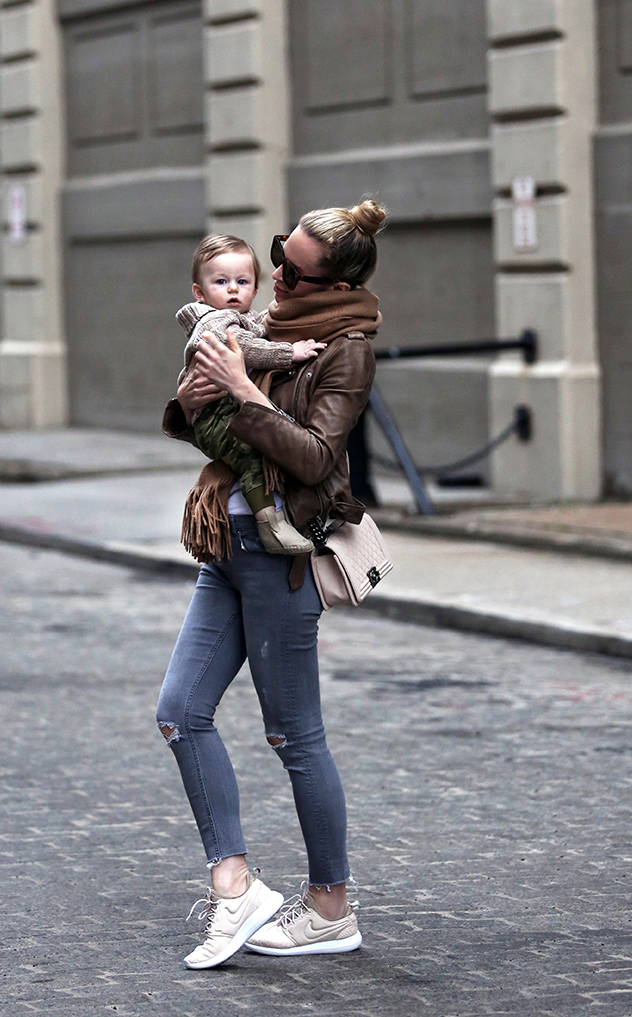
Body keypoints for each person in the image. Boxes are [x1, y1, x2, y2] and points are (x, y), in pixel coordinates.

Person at [156, 198, 386, 969]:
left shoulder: (345, 350)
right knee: (180, 713)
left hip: (279, 552)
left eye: (291, 269)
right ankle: (236, 887)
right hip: (226, 537)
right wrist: (196, 396)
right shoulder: (267, 331)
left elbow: (318, 459)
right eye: (276, 260)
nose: (273, 276)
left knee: (295, 735)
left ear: (331, 283)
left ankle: (330, 907)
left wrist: (245, 390)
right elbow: (203, 413)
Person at [176, 234, 325, 554]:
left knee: (257, 446)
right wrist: (289, 353)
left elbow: (262, 325)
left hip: (222, 409)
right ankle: (270, 524)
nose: (233, 289)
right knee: (251, 452)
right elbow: (242, 346)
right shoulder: (212, 321)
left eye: (242, 281)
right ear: (200, 294)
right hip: (215, 414)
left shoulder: (245, 318)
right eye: (221, 281)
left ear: (254, 290)